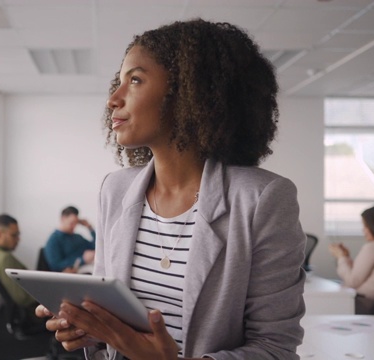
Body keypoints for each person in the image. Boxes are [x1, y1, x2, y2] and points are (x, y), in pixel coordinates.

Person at [36, 19, 306, 359]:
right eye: (118, 83)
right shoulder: (115, 190)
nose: (113, 100)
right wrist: (91, 328)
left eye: (134, 80)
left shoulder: (262, 200)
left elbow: (276, 347)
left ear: (191, 91)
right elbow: (114, 324)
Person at [0, 214, 40, 321]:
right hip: (33, 312)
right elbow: (22, 299)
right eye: (14, 235)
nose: (18, 239)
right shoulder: (4, 259)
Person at [44, 206, 96, 273]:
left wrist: (89, 227)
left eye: (76, 223)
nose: (74, 226)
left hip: (89, 268)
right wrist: (82, 260)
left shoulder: (77, 237)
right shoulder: (54, 240)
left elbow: (96, 245)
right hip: (74, 274)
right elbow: (56, 265)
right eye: (71, 223)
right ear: (63, 219)